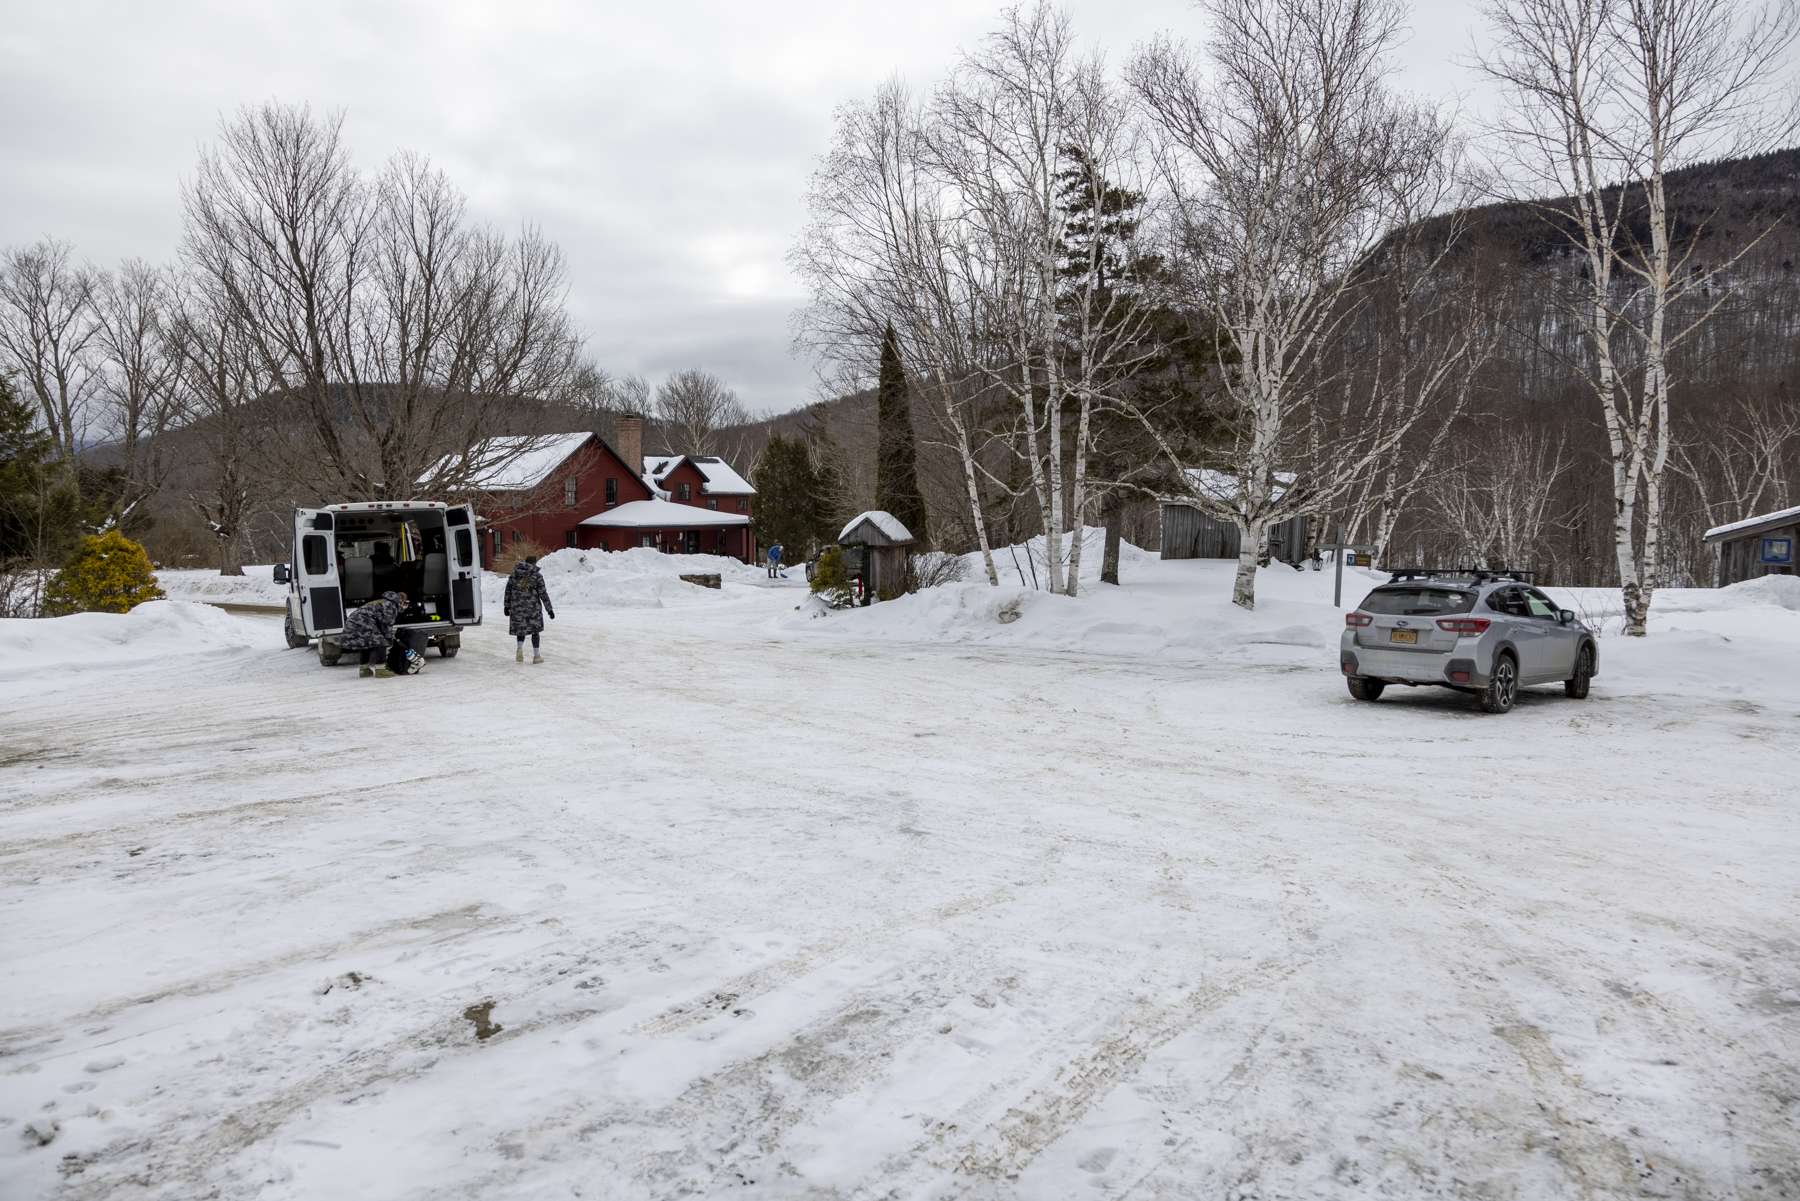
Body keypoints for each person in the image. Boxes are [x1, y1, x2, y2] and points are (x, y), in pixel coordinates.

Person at [338, 590, 410, 678]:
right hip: (362, 622)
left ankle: (364, 670)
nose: (405, 606)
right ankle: (381, 670)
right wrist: (389, 641)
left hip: (353, 621)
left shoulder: (383, 602)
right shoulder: (391, 605)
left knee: (366, 643)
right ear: (401, 600)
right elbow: (387, 625)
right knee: (381, 642)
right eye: (405, 603)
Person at [503, 554, 554, 664]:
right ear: (534, 563)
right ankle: (536, 656)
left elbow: (508, 591)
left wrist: (506, 606)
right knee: (535, 631)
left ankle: (520, 648)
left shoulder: (514, 574)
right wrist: (549, 609)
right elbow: (543, 594)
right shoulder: (537, 576)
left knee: (521, 630)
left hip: (517, 608)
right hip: (533, 609)